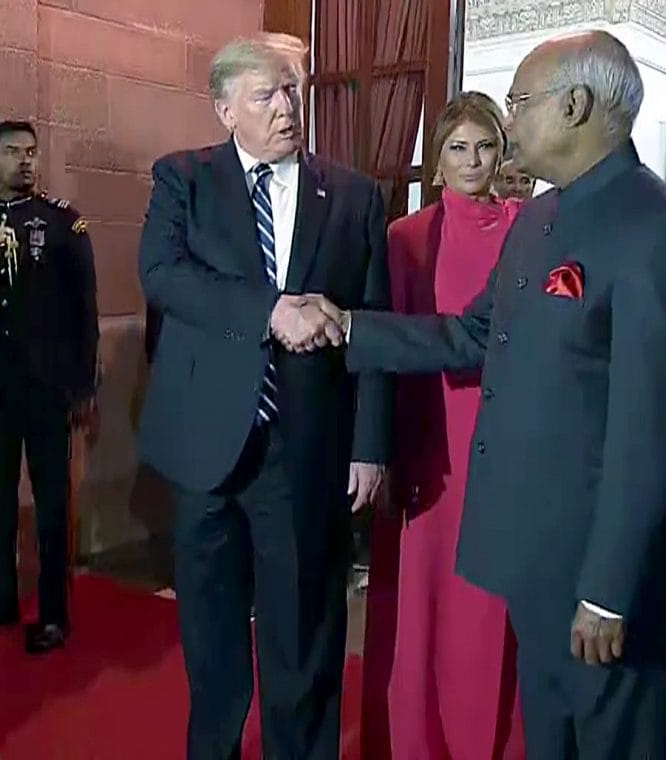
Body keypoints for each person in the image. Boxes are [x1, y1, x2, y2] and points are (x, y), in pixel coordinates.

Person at [307, 31, 666, 757]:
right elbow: (470, 336)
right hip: (535, 567)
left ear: (575, 106)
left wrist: (607, 591)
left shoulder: (660, 235)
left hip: (607, 586)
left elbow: (652, 439)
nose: (509, 122)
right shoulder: (539, 220)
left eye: (519, 102)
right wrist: (350, 328)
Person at [137, 34, 392, 759]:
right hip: (205, 444)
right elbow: (163, 275)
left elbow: (373, 327)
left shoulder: (352, 195)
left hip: (304, 448)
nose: (286, 110)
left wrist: (369, 445)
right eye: (265, 97)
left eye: (291, 93)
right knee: (211, 638)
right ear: (225, 111)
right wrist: (267, 311)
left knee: (303, 632)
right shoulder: (183, 179)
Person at [360, 92, 525, 760]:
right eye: (458, 147)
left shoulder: (528, 227)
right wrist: (386, 451)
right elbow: (391, 352)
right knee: (424, 601)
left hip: (505, 439)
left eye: (484, 146)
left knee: (490, 604)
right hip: (430, 437)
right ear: (437, 161)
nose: (472, 160)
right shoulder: (406, 237)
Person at [0, 120, 99, 654]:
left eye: (32, 152)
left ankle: (55, 613)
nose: (25, 161)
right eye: (13, 152)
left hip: (47, 388)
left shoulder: (62, 224)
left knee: (53, 501)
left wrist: (84, 386)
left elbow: (86, 311)